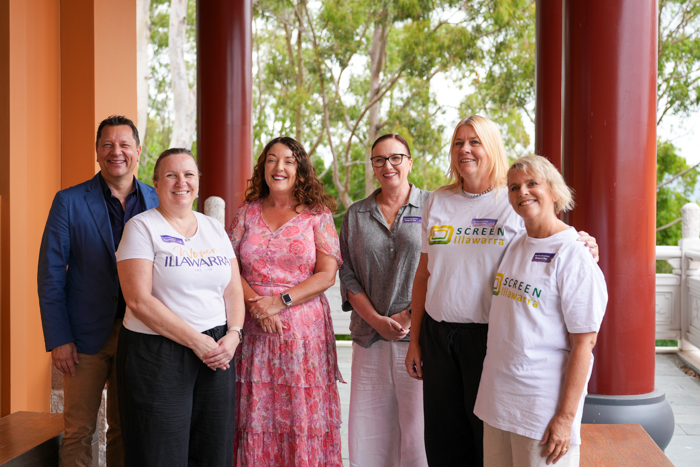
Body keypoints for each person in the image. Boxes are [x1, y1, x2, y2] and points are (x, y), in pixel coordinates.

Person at [405, 116, 599, 466]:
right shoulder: (437, 200)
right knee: (442, 441)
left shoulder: (510, 198)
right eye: (458, 142)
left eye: (474, 141)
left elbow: (545, 235)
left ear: (492, 146)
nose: (465, 149)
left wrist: (584, 243)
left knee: (486, 444)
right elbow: (424, 274)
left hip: (488, 339)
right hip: (438, 335)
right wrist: (415, 340)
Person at [37, 115, 158, 466]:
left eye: (124, 145)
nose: (115, 151)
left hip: (140, 334)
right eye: (107, 145)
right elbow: (50, 274)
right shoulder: (69, 201)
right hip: (83, 338)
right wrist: (59, 338)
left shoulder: (157, 200)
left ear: (138, 151)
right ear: (97, 151)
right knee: (79, 431)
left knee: (125, 429)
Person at [474, 155, 607, 467]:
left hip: (541, 411)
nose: (522, 192)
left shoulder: (573, 253)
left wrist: (565, 418)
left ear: (554, 191)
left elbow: (584, 343)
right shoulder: (515, 244)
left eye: (532, 183)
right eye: (514, 187)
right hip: (498, 402)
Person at [115, 148, 245, 466]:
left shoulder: (214, 228)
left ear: (198, 182)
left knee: (213, 451)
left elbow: (232, 289)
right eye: (171, 175)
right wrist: (197, 341)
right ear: (156, 184)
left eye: (188, 175)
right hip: (157, 353)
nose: (181, 182)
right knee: (159, 453)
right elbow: (138, 300)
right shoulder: (141, 227)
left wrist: (234, 334)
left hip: (217, 352)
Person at [228, 136, 343, 466]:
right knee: (255, 414)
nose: (279, 167)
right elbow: (228, 265)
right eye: (272, 160)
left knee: (300, 415)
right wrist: (258, 306)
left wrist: (279, 301)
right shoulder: (246, 213)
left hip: (303, 336)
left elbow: (327, 274)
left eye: (289, 161)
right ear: (263, 167)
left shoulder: (317, 216)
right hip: (253, 331)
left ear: (300, 169)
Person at [339, 134, 428, 467]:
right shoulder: (356, 214)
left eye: (396, 158)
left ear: (410, 162)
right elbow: (347, 273)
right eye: (379, 159)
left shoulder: (434, 206)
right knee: (370, 432)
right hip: (369, 337)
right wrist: (377, 320)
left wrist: (408, 316)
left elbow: (444, 265)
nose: (388, 165)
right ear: (373, 166)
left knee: (419, 432)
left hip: (419, 337)